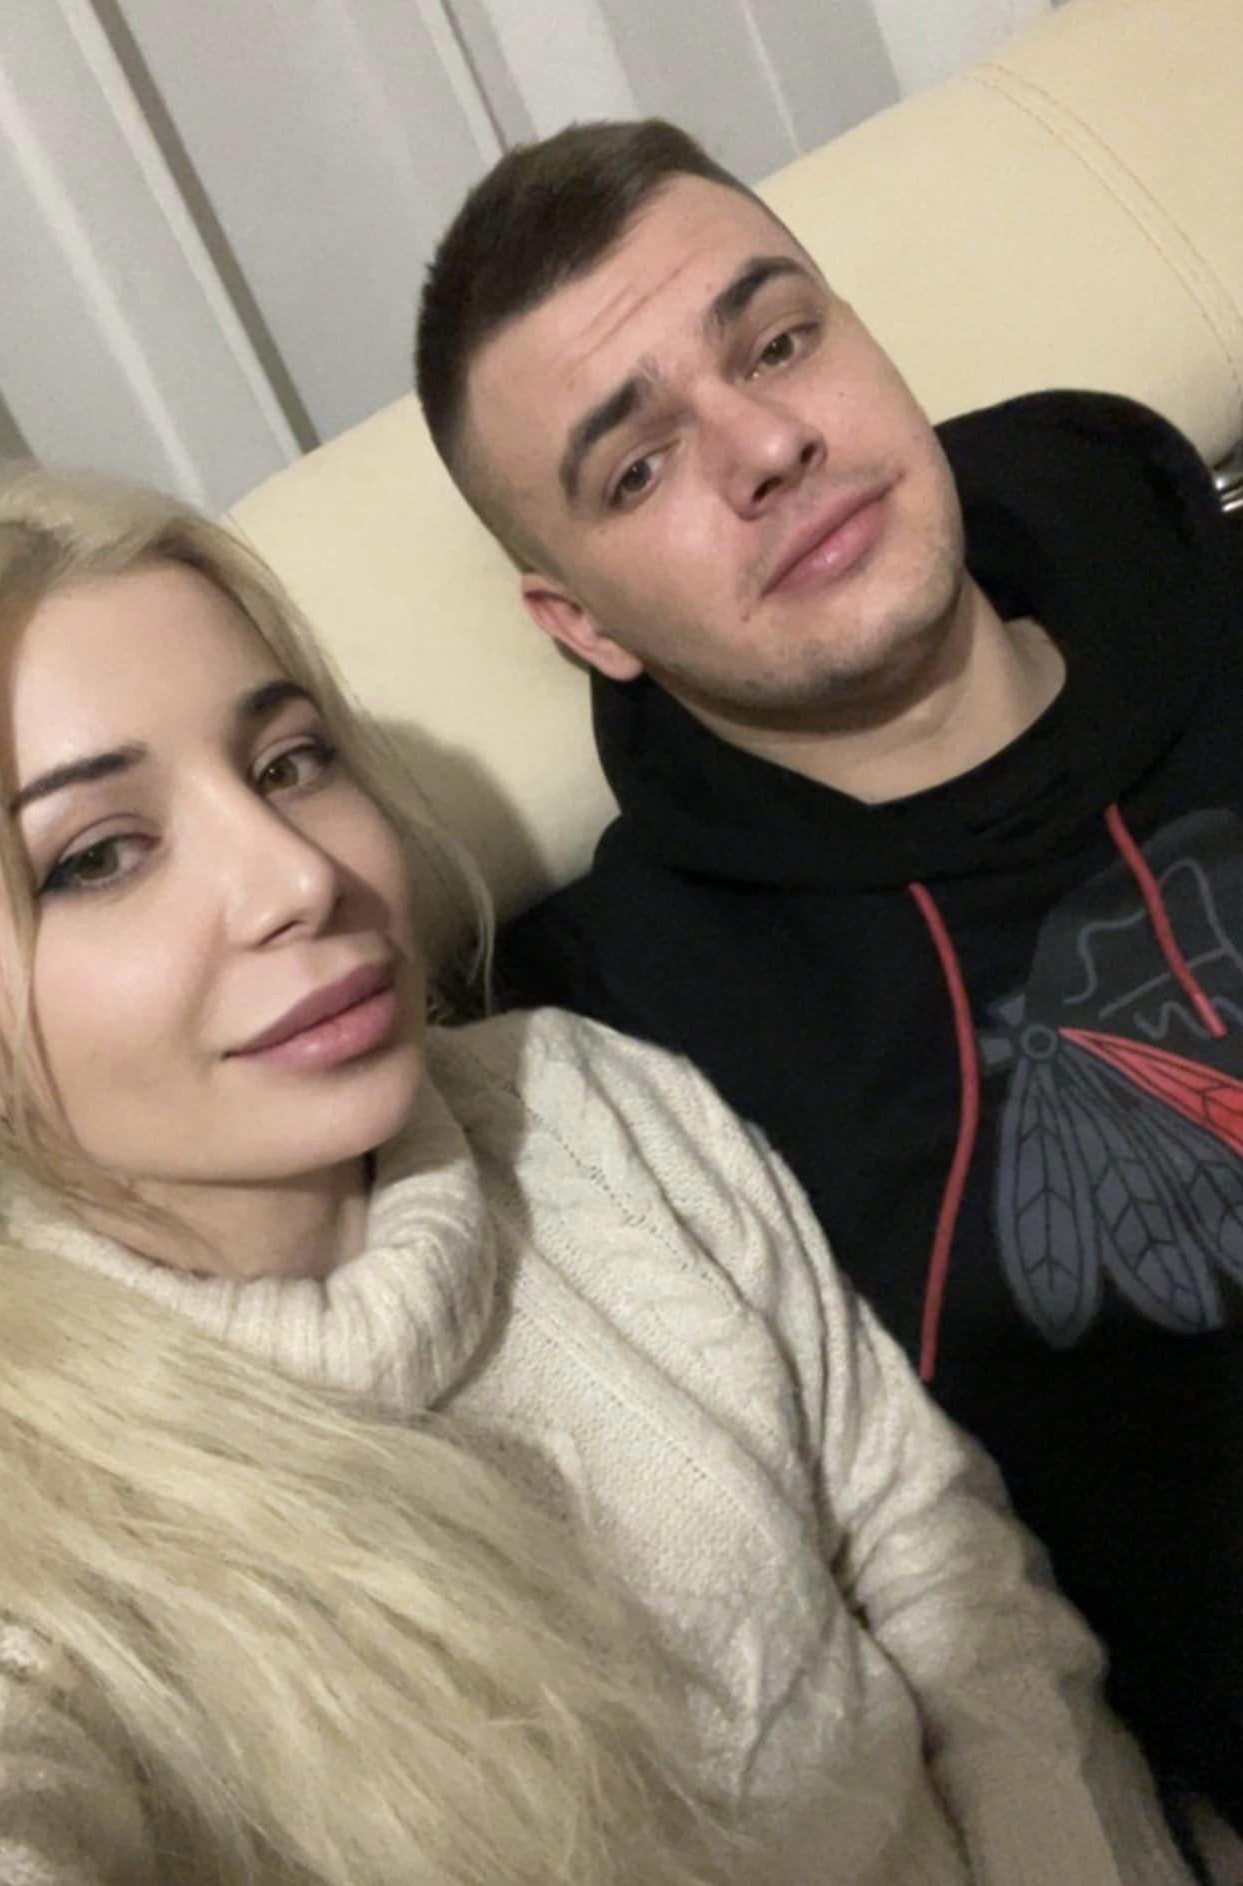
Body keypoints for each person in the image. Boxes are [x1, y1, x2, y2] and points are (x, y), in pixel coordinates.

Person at [0, 467, 1190, 1884]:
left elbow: (939, 1560)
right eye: (100, 856)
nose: (297, 876)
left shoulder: (582, 1100)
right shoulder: (17, 1529)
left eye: (290, 762)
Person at [413, 119, 1243, 1834]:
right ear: (582, 624)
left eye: (780, 342)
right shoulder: (616, 1050)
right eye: (637, 468)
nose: (768, 445)